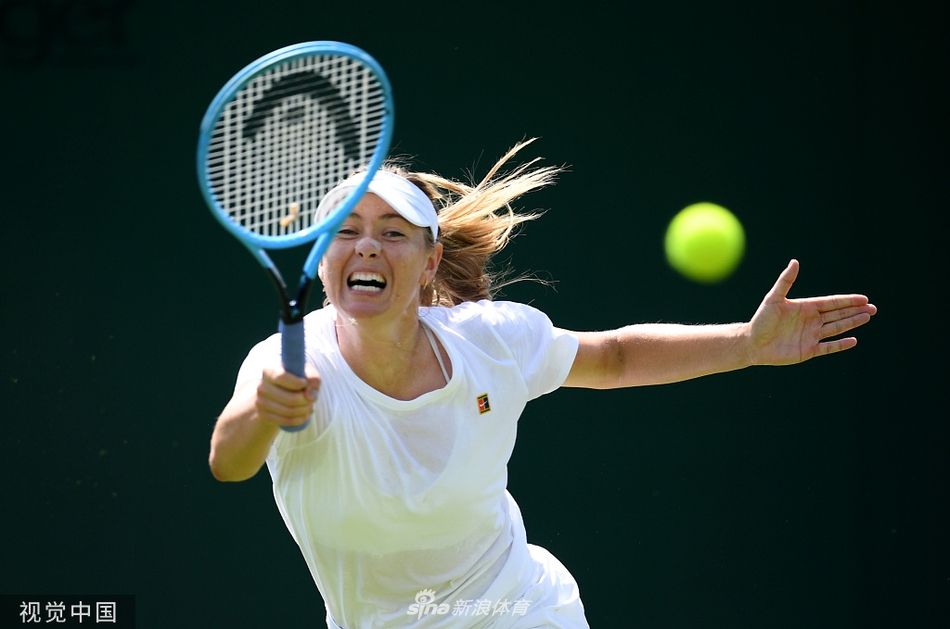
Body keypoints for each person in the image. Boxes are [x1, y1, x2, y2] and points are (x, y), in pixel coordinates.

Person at [208, 140, 876, 629]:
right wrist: (265, 410)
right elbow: (228, 460)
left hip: (520, 610)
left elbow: (614, 357)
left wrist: (747, 345)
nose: (367, 246)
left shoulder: (493, 340)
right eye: (347, 231)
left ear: (430, 260)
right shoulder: (286, 363)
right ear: (323, 256)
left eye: (393, 232)